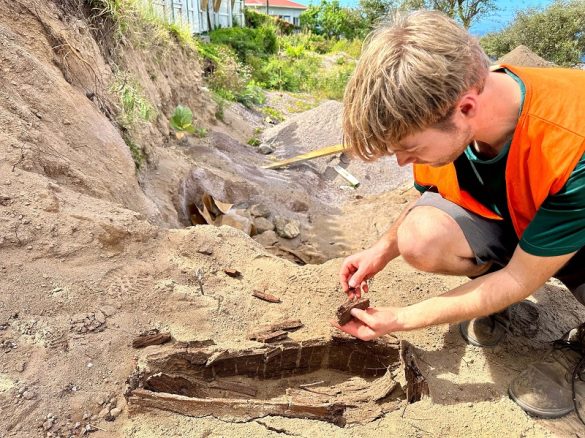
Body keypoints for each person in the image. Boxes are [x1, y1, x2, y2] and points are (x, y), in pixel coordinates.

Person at [337, 10, 585, 421]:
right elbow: (432, 194)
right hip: (527, 220)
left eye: (409, 149)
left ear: (465, 107)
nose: (402, 162)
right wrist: (380, 251)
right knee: (420, 235)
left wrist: (401, 318)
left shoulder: (571, 144)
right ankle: (487, 298)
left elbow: (520, 279)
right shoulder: (441, 109)